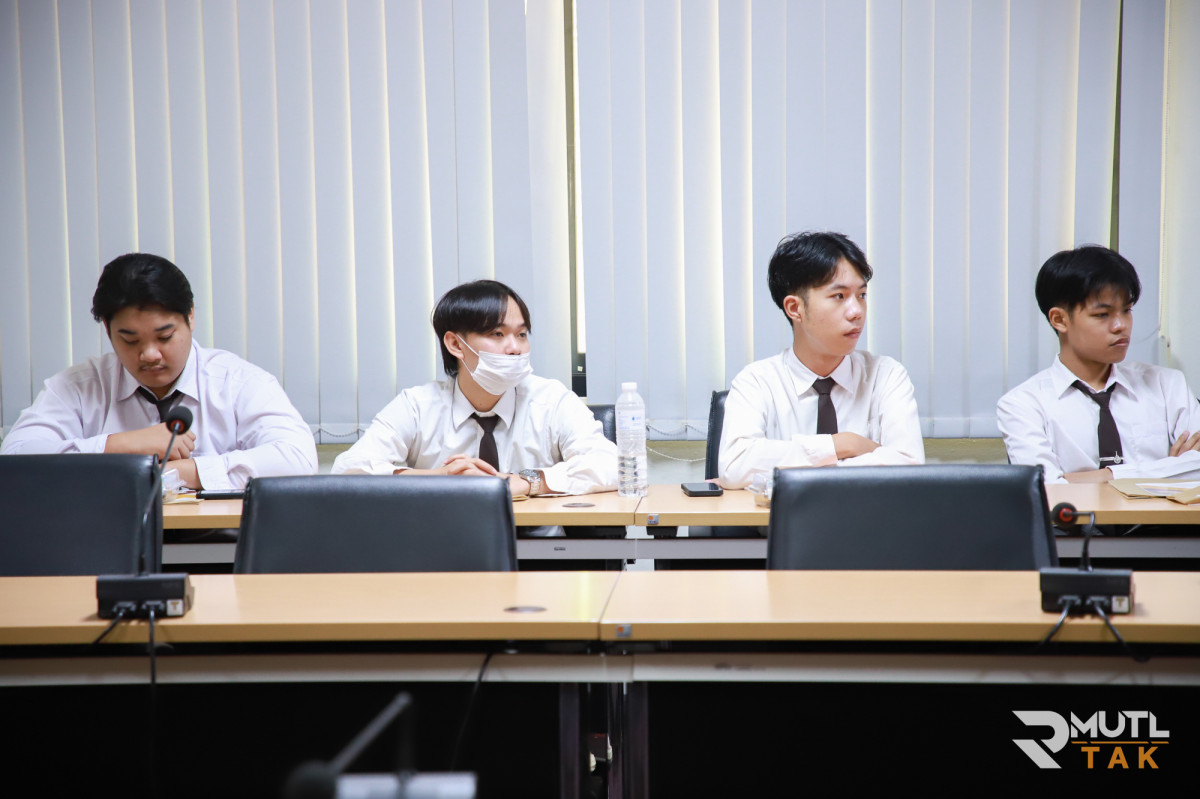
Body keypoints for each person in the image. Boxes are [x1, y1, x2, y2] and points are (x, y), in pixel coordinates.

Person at [0, 253, 318, 490]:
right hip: (106, 543)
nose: (150, 354)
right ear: (108, 330)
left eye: (164, 336)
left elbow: (297, 459)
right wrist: (125, 445)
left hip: (219, 547)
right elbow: (15, 457)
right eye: (130, 340)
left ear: (190, 318)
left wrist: (174, 473)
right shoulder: (80, 386)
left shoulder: (237, 381)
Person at [332, 279, 616, 501]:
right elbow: (348, 470)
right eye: (497, 334)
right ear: (456, 344)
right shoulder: (417, 405)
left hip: (541, 549)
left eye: (521, 334)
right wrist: (439, 479)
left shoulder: (551, 400)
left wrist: (524, 481)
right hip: (443, 547)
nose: (515, 348)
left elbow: (613, 464)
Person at [719, 231, 924, 489]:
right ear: (795, 308)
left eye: (861, 295)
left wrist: (792, 468)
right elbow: (735, 466)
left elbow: (909, 466)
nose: (857, 312)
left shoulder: (886, 375)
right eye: (839, 296)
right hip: (783, 518)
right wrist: (844, 444)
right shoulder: (757, 382)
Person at [997, 245, 1200, 483]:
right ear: (1060, 319)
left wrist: (1091, 478)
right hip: (1075, 512)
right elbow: (1047, 488)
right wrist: (1168, 469)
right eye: (1103, 315)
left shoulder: (1167, 385)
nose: (1121, 325)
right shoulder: (1023, 404)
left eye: (1126, 310)